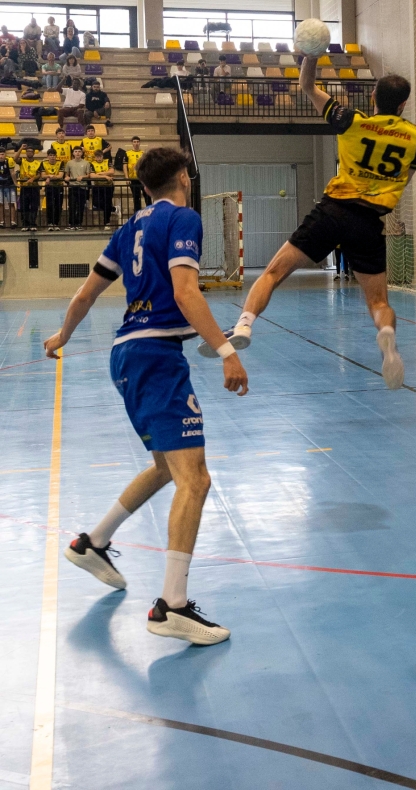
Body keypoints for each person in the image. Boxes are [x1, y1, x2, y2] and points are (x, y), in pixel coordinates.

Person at [45, 147, 249, 645]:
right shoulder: (183, 218)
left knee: (167, 468)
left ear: (142, 187)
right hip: (156, 356)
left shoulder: (127, 229)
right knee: (195, 479)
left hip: (126, 354)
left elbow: (85, 294)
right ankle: (171, 607)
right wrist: (226, 351)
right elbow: (185, 292)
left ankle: (92, 542)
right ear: (183, 178)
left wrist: (63, 336)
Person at [229, 60, 416, 390]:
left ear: (372, 96)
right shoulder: (413, 137)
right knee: (379, 302)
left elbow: (307, 85)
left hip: (333, 211)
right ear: (403, 104)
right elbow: (406, 177)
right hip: (369, 222)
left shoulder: (351, 120)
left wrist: (312, 56)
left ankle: (244, 325)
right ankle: (387, 335)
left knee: (273, 273)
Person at [14, 145, 42, 231]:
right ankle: (25, 224)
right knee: (24, 206)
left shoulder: (38, 163)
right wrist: (21, 149)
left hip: (34, 187)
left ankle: (33, 223)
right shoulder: (22, 161)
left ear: (33, 153)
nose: (29, 153)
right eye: (28, 151)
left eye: (31, 151)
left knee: (34, 206)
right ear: (26, 153)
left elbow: (39, 174)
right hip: (25, 187)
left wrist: (33, 178)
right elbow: (15, 158)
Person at [65, 145, 91, 229]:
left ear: (82, 153)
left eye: (79, 151)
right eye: (76, 151)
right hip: (72, 187)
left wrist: (83, 177)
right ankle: (71, 224)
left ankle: (79, 223)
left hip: (82, 187)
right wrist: (67, 178)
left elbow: (88, 175)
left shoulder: (86, 163)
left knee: (80, 206)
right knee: (72, 205)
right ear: (73, 153)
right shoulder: (69, 163)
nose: (77, 153)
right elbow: (67, 174)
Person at [89, 148, 115, 230]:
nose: (99, 158)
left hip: (108, 186)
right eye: (97, 157)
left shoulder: (107, 161)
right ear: (95, 157)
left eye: (100, 156)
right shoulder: (92, 164)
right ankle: (113, 208)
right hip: (97, 186)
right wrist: (105, 176)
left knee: (107, 203)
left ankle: (107, 222)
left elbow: (112, 171)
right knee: (96, 203)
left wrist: (100, 173)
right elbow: (92, 176)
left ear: (102, 156)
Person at [123, 135, 151, 212]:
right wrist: (127, 178)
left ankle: (150, 211)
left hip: (142, 178)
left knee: (147, 195)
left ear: (139, 143)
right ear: (132, 143)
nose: (136, 143)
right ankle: (137, 213)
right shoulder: (127, 153)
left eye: (137, 142)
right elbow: (125, 166)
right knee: (136, 197)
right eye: (134, 142)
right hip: (133, 178)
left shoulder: (143, 153)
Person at [41, 148, 65, 230]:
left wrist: (49, 177)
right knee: (50, 205)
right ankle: (50, 223)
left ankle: (56, 223)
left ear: (56, 156)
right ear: (47, 156)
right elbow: (42, 175)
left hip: (59, 187)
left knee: (58, 205)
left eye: (54, 155)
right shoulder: (44, 163)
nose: (52, 157)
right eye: (50, 155)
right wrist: (49, 176)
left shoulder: (60, 163)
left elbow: (60, 176)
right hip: (49, 187)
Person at [0, 146, 17, 228]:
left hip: (9, 185)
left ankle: (13, 221)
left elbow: (12, 173)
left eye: (2, 154)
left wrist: (15, 183)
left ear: (5, 154)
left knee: (11, 203)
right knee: (0, 204)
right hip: (0, 186)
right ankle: (1, 222)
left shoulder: (9, 160)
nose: (1, 156)